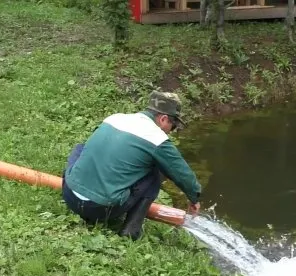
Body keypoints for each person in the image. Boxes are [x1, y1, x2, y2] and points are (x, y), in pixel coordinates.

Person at [61, 90, 201, 240]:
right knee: (156, 172)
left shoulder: (114, 118)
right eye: (172, 126)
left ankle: (83, 188)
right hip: (101, 209)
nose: (170, 132)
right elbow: (181, 172)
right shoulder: (157, 138)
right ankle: (131, 231)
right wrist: (195, 198)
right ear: (163, 119)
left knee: (80, 149)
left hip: (69, 195)